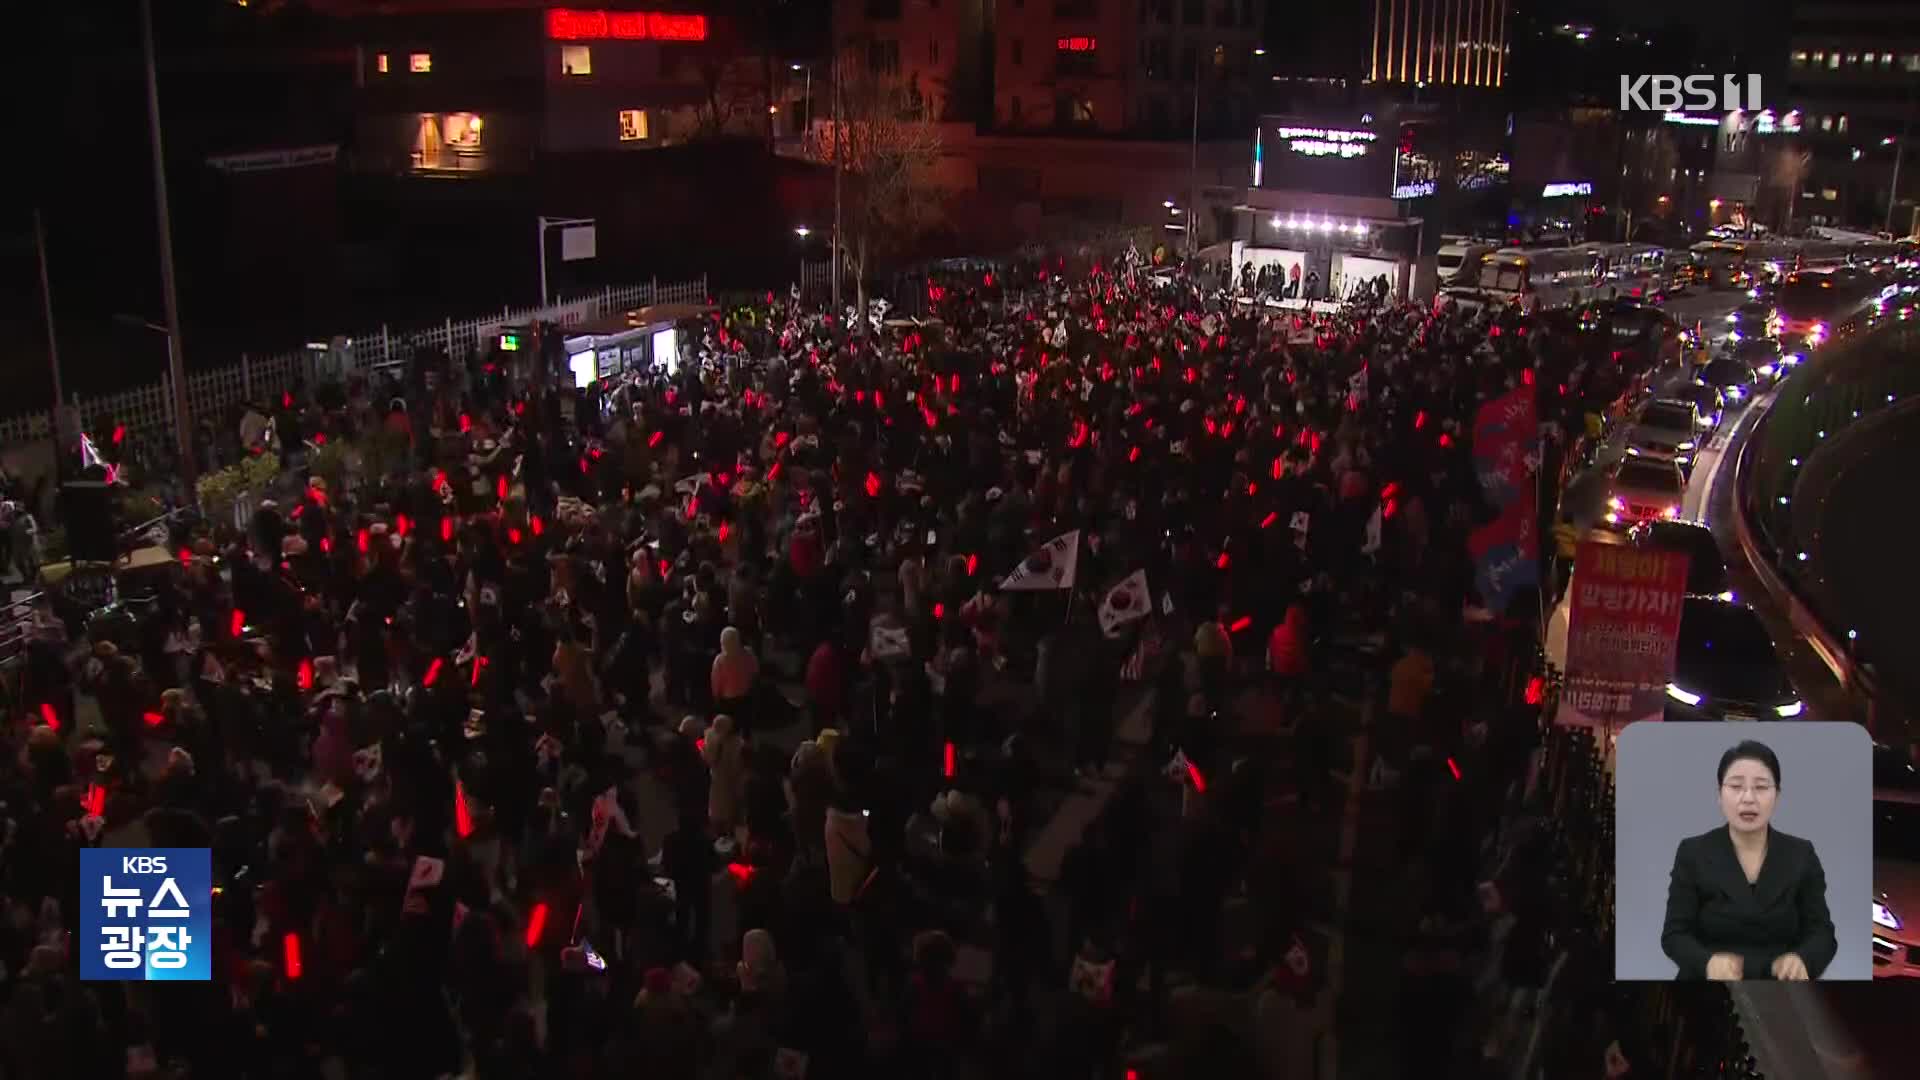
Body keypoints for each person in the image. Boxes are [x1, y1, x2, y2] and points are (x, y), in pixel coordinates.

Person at [1660, 740, 1838, 981]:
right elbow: (1674, 934)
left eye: (1761, 787)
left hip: (1782, 988)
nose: (1748, 798)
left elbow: (1822, 933)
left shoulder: (1801, 854)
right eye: (1736, 786)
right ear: (1719, 795)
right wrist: (1707, 963)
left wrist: (1803, 959)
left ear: (1777, 795)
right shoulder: (1693, 852)